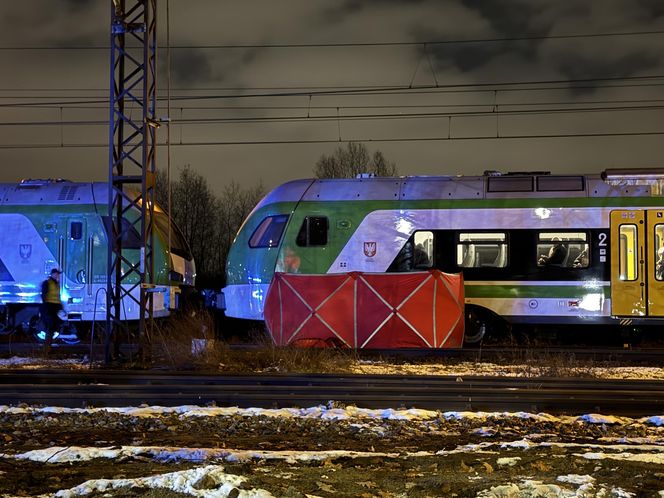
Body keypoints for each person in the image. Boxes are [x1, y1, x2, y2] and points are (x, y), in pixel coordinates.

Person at [41, 268, 63, 350]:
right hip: (49, 307)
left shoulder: (56, 284)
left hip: (55, 307)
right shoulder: (47, 283)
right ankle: (47, 348)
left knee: (54, 327)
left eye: (58, 274)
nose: (57, 275)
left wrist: (60, 306)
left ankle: (48, 346)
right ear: (52, 274)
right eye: (56, 274)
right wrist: (46, 305)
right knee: (51, 327)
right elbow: (44, 295)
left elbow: (57, 296)